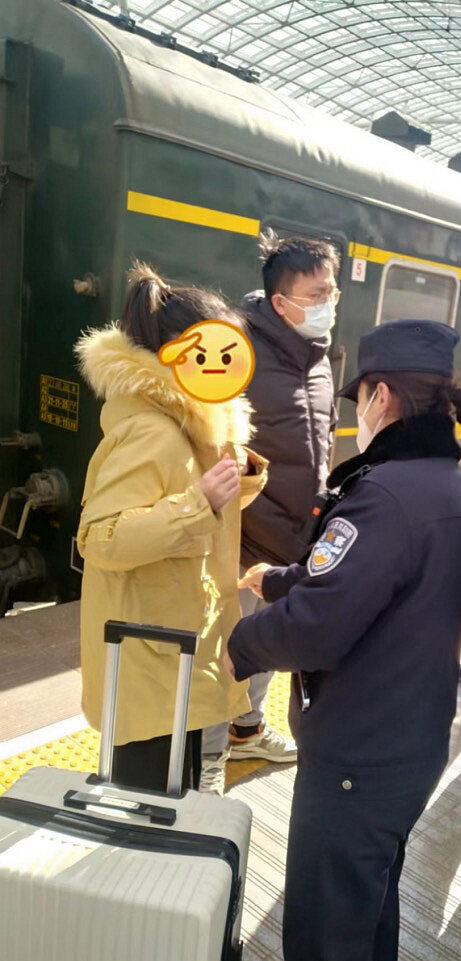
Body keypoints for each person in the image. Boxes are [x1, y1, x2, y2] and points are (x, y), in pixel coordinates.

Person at [225, 320, 461, 961]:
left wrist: (238, 645)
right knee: (366, 906)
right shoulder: (443, 481)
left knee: (326, 926)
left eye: (361, 398)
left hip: (359, 754)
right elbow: (371, 581)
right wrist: (277, 580)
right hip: (406, 737)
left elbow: (316, 627)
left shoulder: (385, 495)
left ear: (382, 396)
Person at [75, 264, 267, 792]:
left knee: (171, 798)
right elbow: (101, 537)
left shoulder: (190, 424)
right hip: (148, 663)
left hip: (171, 653)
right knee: (148, 807)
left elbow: (200, 512)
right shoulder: (153, 431)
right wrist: (198, 503)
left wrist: (240, 477)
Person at [200, 233, 338, 791]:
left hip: (293, 535)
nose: (329, 302)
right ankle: (206, 758)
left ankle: (247, 731)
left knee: (268, 641)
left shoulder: (319, 354)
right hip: (241, 534)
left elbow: (321, 439)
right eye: (318, 293)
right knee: (224, 650)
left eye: (332, 291)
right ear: (281, 302)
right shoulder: (238, 350)